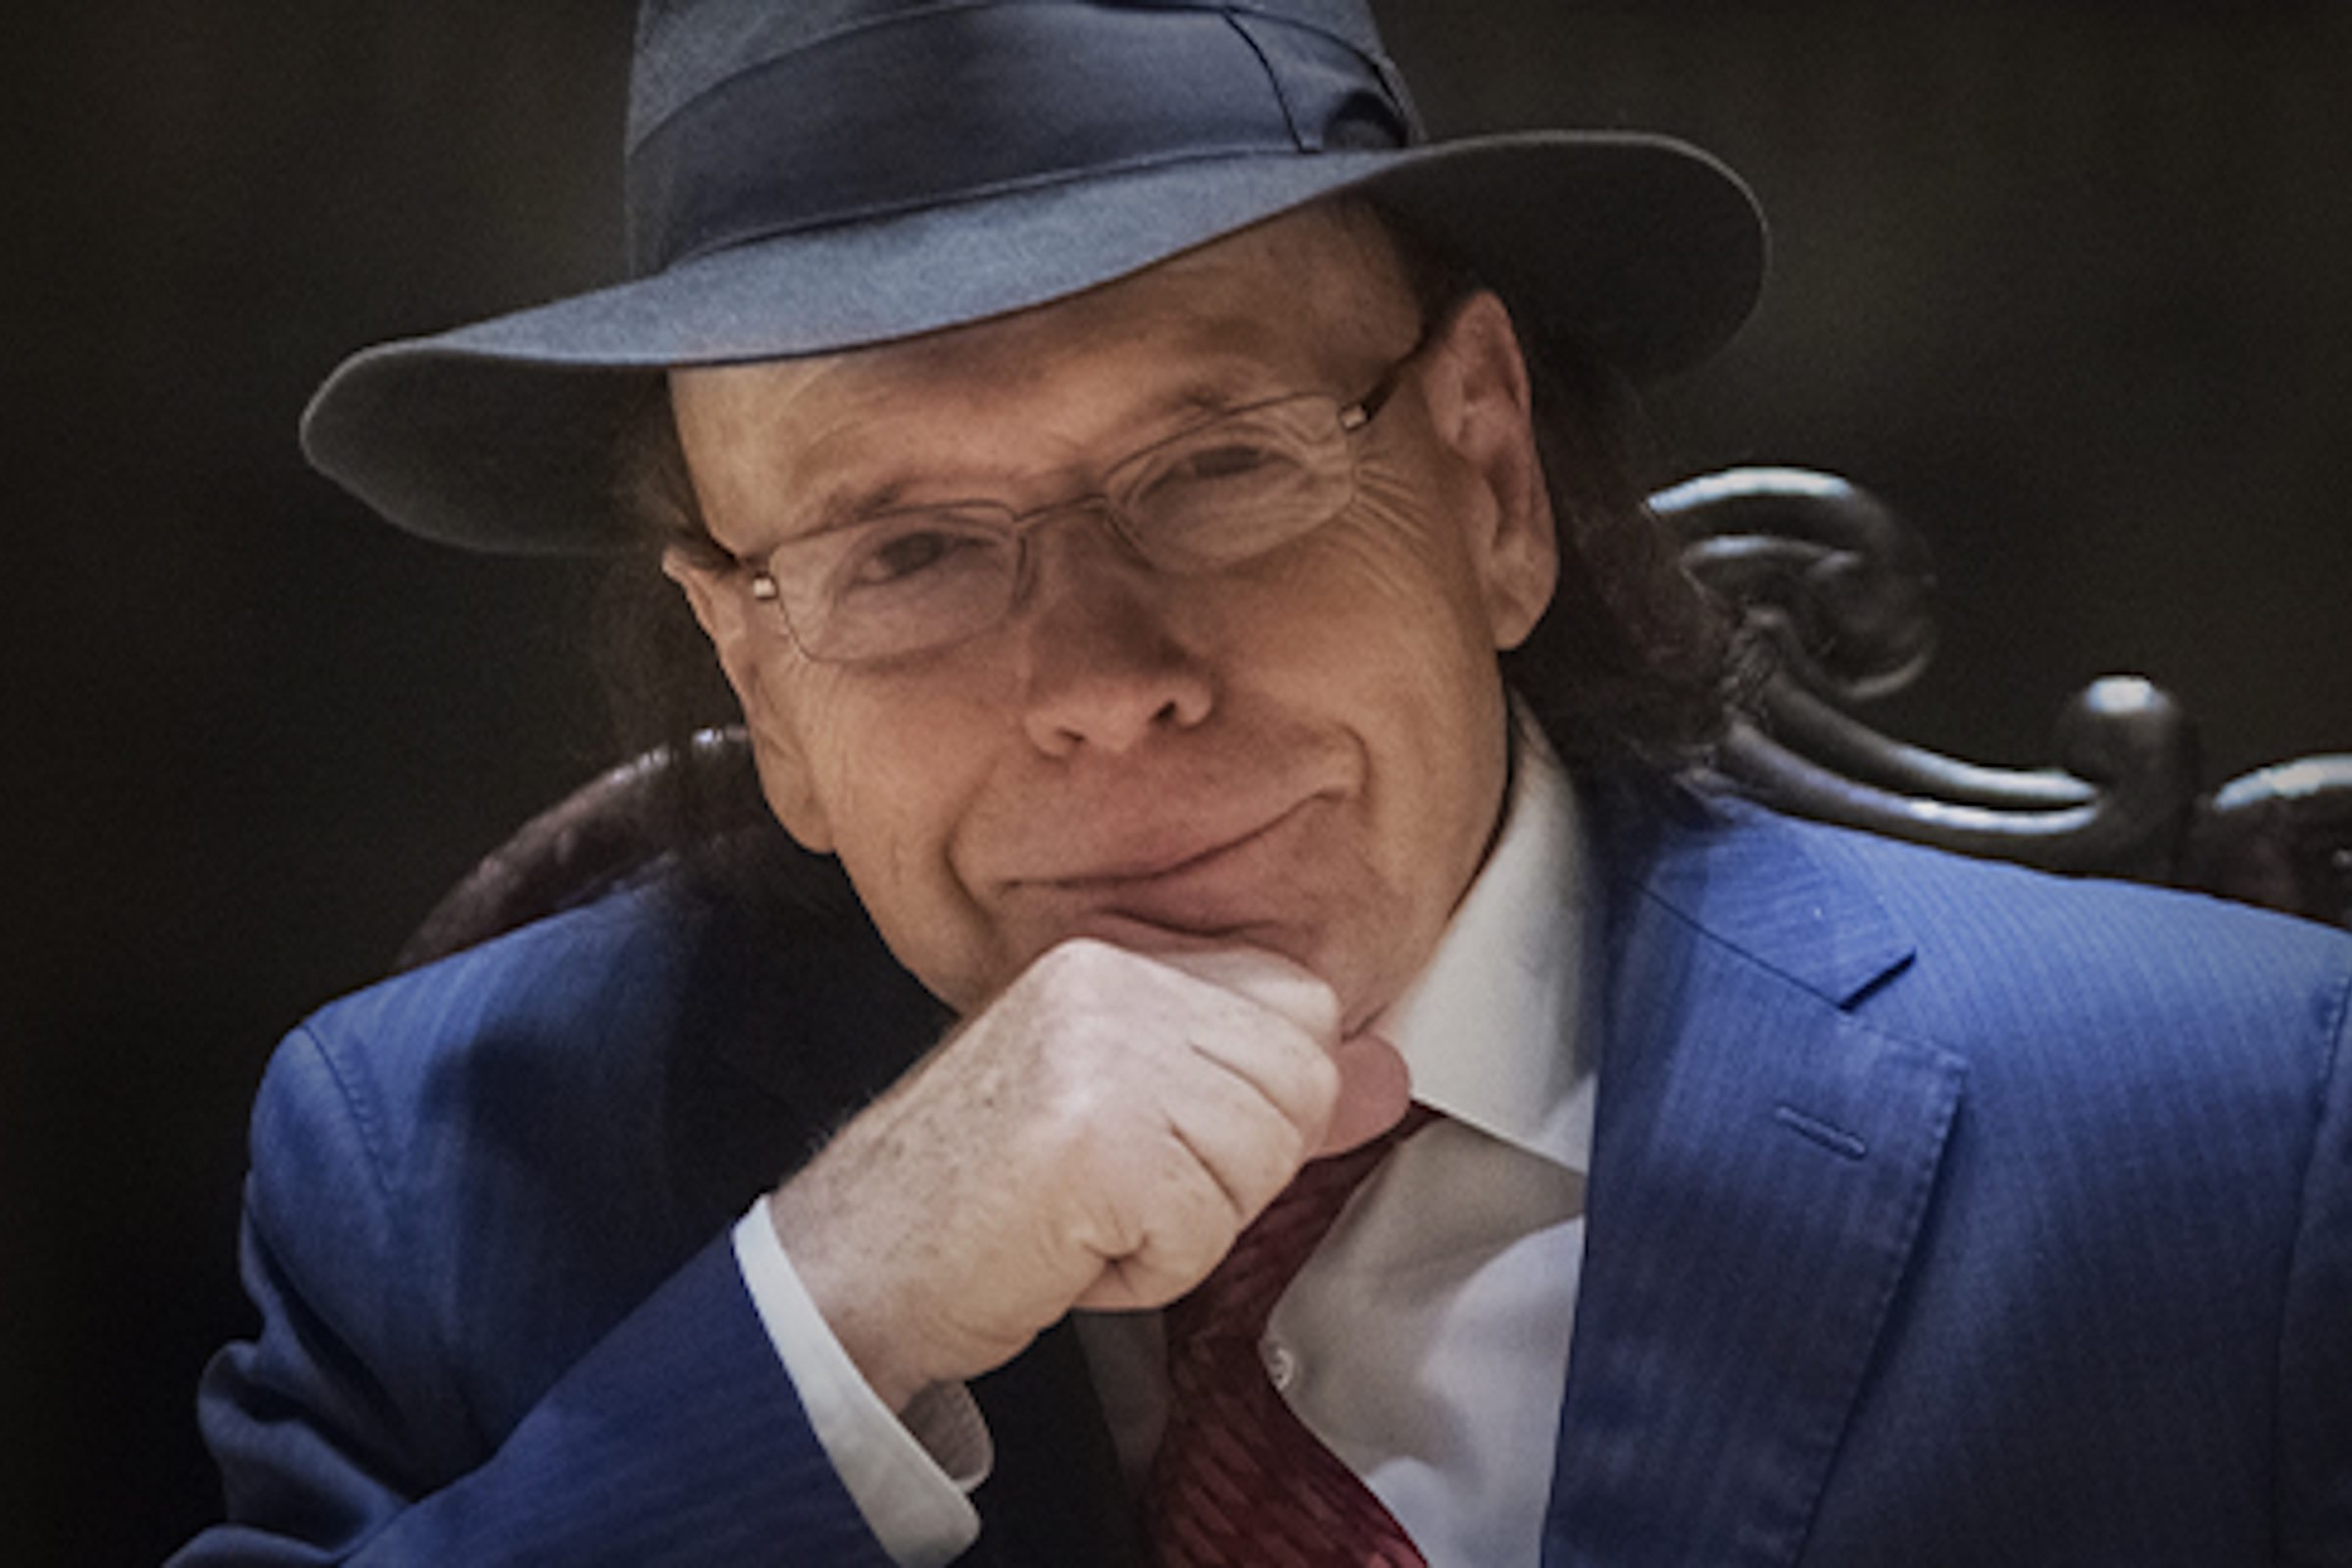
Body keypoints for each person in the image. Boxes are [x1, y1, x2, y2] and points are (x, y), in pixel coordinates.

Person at [178, 2, 2350, 1564]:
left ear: (1490, 478)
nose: (1101, 685)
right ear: (763, 668)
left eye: (1217, 468)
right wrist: (830, 1321)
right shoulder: (439, 1175)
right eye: (904, 551)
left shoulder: (2255, 1134)